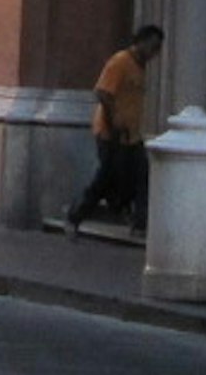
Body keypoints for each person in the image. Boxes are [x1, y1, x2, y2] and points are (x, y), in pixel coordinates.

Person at [62, 25, 164, 236]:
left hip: (132, 136)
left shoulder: (139, 66)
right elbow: (103, 92)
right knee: (105, 179)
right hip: (111, 134)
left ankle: (139, 223)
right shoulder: (120, 62)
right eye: (153, 47)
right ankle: (76, 215)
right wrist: (115, 121)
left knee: (141, 176)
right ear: (141, 42)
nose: (154, 54)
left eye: (158, 49)